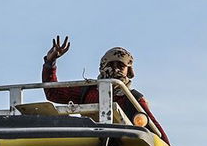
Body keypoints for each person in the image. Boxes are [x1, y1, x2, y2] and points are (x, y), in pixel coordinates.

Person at [41, 36, 169, 140]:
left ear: (128, 70)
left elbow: (157, 132)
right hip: (88, 144)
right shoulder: (88, 91)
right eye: (110, 64)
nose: (114, 69)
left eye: (120, 65)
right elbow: (53, 93)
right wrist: (50, 63)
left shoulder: (133, 99)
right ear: (102, 67)